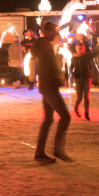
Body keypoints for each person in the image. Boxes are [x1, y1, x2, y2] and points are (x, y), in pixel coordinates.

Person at [33, 22, 71, 163]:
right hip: (49, 86)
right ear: (46, 32)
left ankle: (39, 152)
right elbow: (53, 36)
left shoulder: (45, 43)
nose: (56, 33)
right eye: (53, 30)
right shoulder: (43, 44)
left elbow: (55, 35)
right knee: (65, 116)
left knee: (48, 119)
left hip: (49, 86)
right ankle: (58, 150)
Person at [71, 39, 98, 120]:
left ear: (83, 48)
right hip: (78, 79)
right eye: (78, 47)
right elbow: (71, 67)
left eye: (81, 47)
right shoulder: (74, 57)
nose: (79, 49)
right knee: (79, 97)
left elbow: (96, 53)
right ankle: (76, 108)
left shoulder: (86, 56)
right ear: (76, 48)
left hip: (87, 78)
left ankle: (86, 113)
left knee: (86, 97)